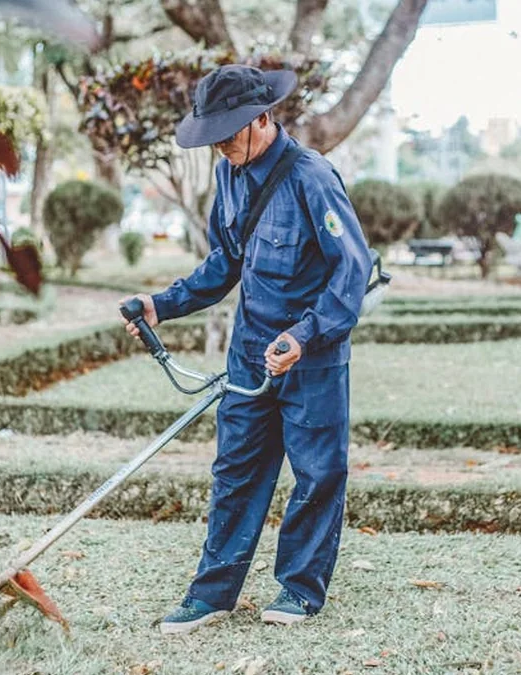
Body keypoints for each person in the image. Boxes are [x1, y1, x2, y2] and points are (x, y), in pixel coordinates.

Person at [119, 64, 374, 634]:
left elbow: (351, 271)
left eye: (227, 134)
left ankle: (300, 590)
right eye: (212, 136)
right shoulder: (228, 175)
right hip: (249, 354)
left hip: (312, 357)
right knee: (235, 472)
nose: (221, 146)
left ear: (262, 119)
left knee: (317, 475)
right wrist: (163, 304)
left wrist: (304, 337)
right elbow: (225, 262)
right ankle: (212, 594)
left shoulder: (312, 177)